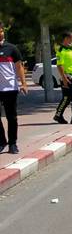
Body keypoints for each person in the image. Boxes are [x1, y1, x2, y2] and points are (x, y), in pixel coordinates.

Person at [0, 21, 28, 154]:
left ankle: (12, 143)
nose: (0, 34)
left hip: (10, 88)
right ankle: (1, 141)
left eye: (1, 31)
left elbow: (19, 67)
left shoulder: (11, 48)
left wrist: (24, 83)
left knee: (11, 117)